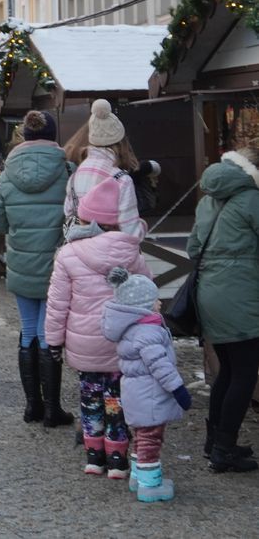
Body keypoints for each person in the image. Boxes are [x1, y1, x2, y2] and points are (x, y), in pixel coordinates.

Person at [44, 176, 153, 478]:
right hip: (120, 342)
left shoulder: (69, 255)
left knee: (89, 397)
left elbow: (57, 304)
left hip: (85, 344)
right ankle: (118, 459)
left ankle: (94, 456)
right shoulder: (132, 253)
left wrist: (53, 341)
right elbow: (147, 294)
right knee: (116, 400)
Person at [0, 110, 74, 428]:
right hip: (57, 266)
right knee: (46, 333)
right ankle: (53, 409)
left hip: (22, 265)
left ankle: (32, 406)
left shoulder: (8, 173)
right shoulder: (67, 170)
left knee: (28, 331)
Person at [188, 146, 259, 473]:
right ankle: (224, 448)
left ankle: (214, 439)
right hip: (240, 296)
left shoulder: (207, 201)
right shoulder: (252, 201)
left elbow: (192, 249)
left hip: (210, 294)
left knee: (228, 371)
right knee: (244, 373)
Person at [102, 269, 193, 502]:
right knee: (151, 440)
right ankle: (149, 486)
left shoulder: (134, 329)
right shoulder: (147, 332)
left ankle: (138, 478)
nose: (160, 303)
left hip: (138, 394)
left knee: (142, 437)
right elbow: (160, 365)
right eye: (155, 300)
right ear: (142, 305)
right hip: (150, 395)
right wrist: (179, 390)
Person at [64, 99, 145, 240]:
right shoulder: (122, 180)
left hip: (80, 255)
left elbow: (68, 213)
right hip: (111, 255)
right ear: (121, 142)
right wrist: (142, 228)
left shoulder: (75, 176)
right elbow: (131, 233)